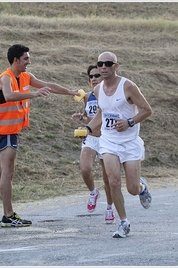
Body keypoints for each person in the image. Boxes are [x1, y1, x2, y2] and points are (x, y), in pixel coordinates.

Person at [0, 44, 79, 227]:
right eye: (26, 59)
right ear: (16, 60)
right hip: (4, 132)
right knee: (7, 172)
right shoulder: (5, 78)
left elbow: (48, 85)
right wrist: (34, 94)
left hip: (7, 131)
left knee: (0, 170)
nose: (29, 62)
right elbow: (8, 96)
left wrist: (68, 92)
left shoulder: (25, 77)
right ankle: (8, 215)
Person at [85, 51, 153, 238]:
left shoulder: (128, 86)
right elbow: (102, 112)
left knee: (132, 188)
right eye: (100, 64)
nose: (104, 67)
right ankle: (123, 222)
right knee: (113, 181)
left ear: (116, 66)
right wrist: (88, 129)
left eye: (108, 63)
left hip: (130, 142)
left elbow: (147, 110)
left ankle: (142, 188)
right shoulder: (98, 90)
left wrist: (129, 122)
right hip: (108, 141)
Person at [71, 65, 115, 224]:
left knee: (107, 178)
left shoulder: (109, 95)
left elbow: (105, 116)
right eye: (91, 76)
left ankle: (110, 206)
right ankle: (93, 192)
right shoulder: (87, 96)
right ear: (89, 81)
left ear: (103, 78)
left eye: (97, 75)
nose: (95, 78)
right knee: (85, 168)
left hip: (106, 138)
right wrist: (80, 117)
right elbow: (88, 115)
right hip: (90, 138)